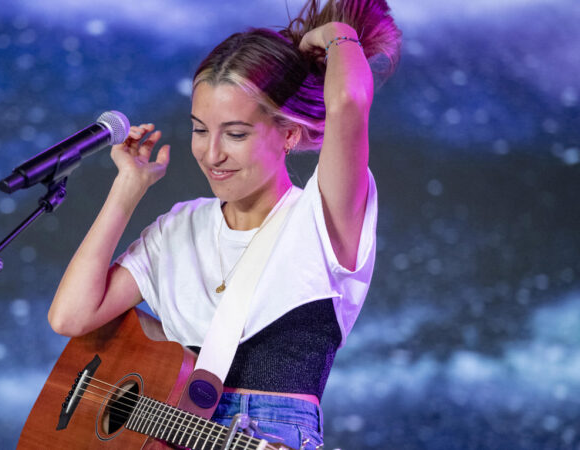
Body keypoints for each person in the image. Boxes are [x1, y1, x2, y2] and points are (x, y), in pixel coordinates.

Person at [48, 0, 401, 447]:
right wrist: (127, 188)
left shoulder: (322, 218)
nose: (211, 154)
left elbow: (349, 101)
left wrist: (335, 34)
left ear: (289, 134)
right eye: (200, 129)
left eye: (235, 134)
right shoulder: (180, 227)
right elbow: (70, 316)